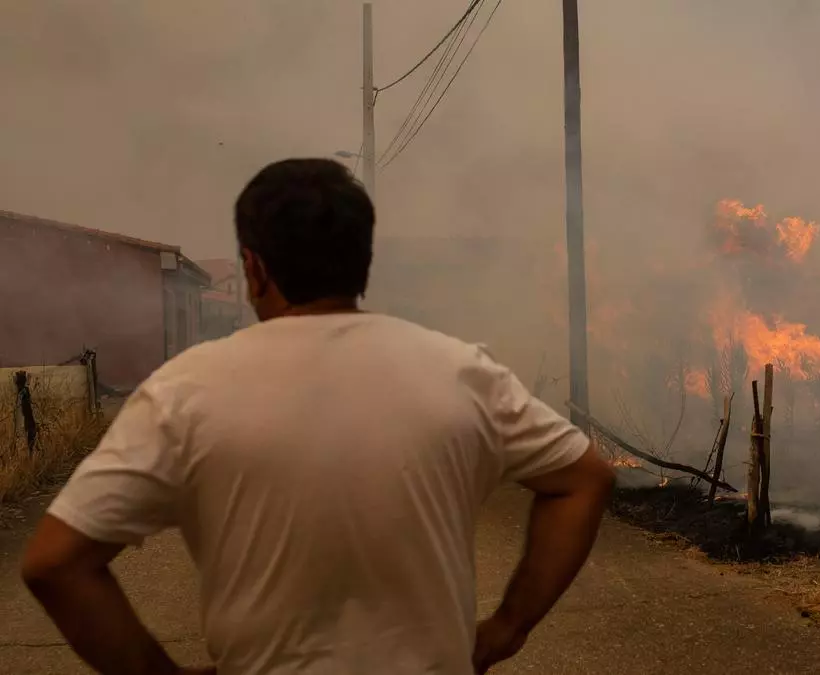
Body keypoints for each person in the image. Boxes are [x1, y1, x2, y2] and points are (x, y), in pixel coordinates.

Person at [20, 158, 616, 674]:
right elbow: (584, 478)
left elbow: (54, 563)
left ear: (254, 268)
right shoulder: (463, 373)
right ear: (364, 261)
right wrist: (508, 626)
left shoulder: (183, 392)